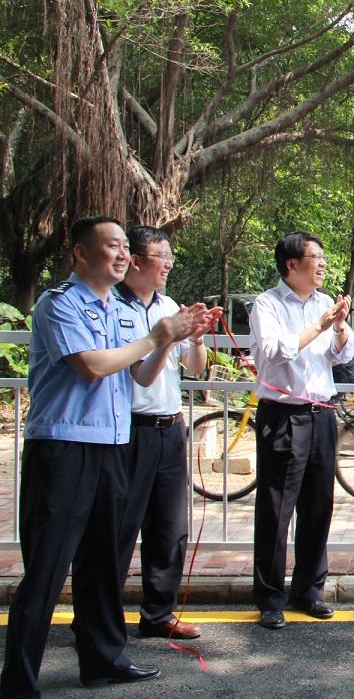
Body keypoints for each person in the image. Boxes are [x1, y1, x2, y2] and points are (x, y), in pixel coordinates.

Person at [0, 217, 211, 698]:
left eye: (124, 247)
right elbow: (93, 366)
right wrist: (156, 337)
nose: (121, 255)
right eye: (112, 246)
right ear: (81, 252)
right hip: (65, 447)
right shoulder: (59, 304)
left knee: (102, 562)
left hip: (113, 445)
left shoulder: (117, 309)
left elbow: (140, 375)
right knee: (48, 567)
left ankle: (104, 660)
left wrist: (172, 339)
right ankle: (19, 679)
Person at [113, 226, 219, 640]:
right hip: (129, 431)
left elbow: (195, 367)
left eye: (171, 258)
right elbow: (140, 375)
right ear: (136, 261)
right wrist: (166, 338)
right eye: (163, 258)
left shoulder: (169, 305)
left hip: (170, 428)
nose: (169, 266)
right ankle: (101, 619)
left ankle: (158, 614)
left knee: (170, 529)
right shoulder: (113, 306)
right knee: (119, 530)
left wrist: (195, 338)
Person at [249, 232, 354, 630]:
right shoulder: (268, 304)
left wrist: (339, 328)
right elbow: (274, 351)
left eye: (324, 256)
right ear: (292, 264)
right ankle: (269, 598)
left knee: (318, 507)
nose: (323, 264)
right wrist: (320, 325)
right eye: (316, 257)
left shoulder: (325, 303)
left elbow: (343, 355)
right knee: (276, 510)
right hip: (283, 416)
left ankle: (309, 590)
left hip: (320, 415)